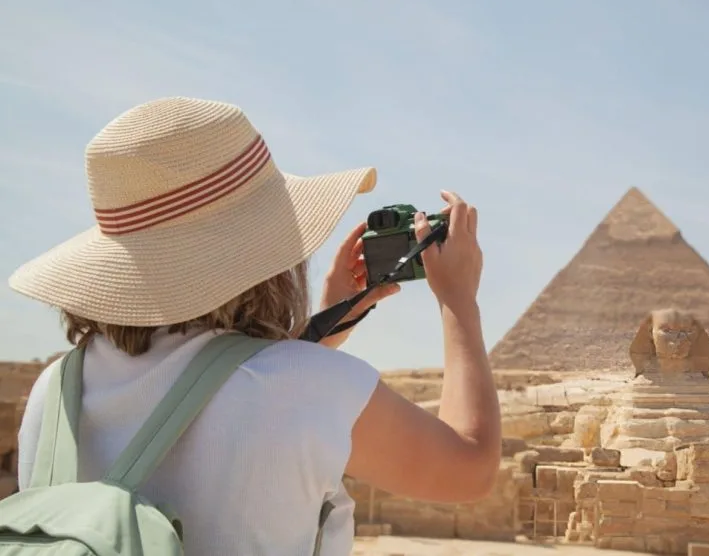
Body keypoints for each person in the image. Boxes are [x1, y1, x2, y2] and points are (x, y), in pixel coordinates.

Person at [9, 97, 501, 556]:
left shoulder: (54, 390)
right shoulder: (306, 386)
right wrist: (458, 302)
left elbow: (223, 391)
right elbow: (470, 468)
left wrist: (325, 321)